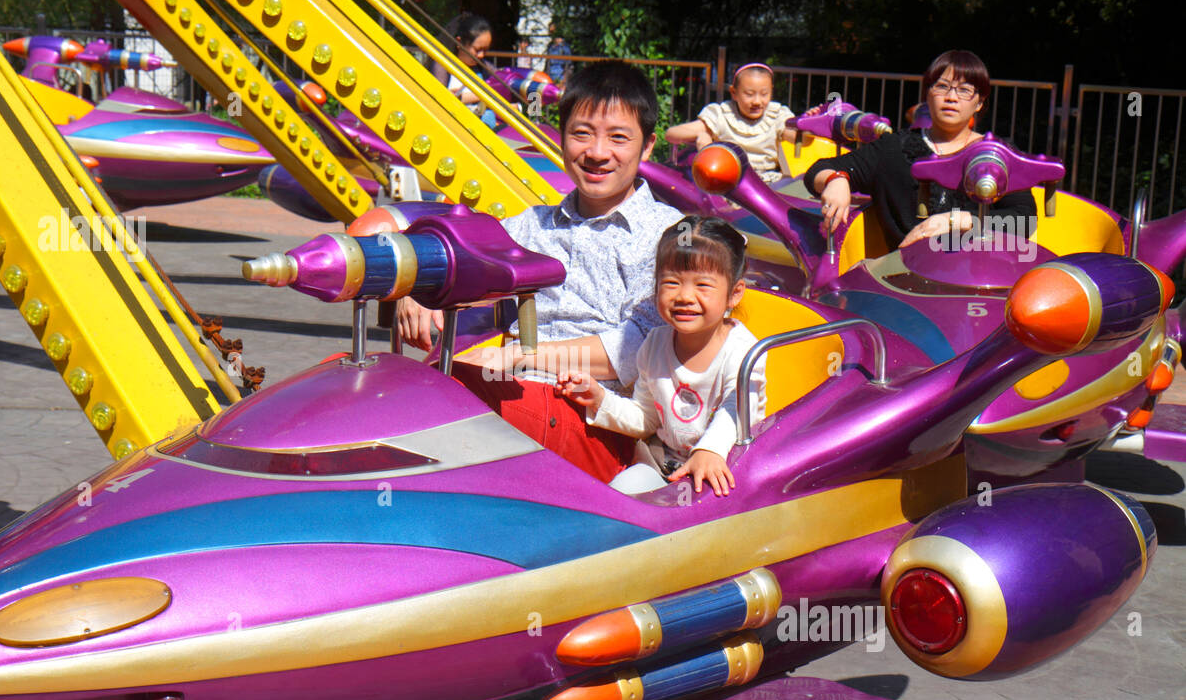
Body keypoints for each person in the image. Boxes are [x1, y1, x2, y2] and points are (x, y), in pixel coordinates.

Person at [397, 61, 683, 483]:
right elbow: (457, 250)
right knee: (371, 374)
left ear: (647, 146)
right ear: (562, 137)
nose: (598, 153)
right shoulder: (532, 226)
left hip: (596, 418)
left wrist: (519, 356)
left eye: (618, 137)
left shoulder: (668, 235)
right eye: (582, 133)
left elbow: (635, 349)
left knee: (448, 384)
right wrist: (414, 288)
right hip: (517, 392)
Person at [555, 216, 767, 497]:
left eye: (702, 285)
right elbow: (645, 419)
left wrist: (708, 450)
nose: (685, 296)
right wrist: (600, 400)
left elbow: (736, 412)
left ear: (734, 293)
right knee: (618, 496)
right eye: (671, 283)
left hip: (726, 472)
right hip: (664, 468)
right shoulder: (655, 345)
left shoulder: (744, 352)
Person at [804, 49, 1038, 251]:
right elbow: (820, 169)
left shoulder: (997, 154)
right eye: (942, 87)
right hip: (907, 280)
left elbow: (1024, 221)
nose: (951, 97)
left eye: (964, 90)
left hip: (979, 278)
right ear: (927, 94)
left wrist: (955, 221)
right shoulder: (894, 148)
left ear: (979, 103)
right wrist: (836, 180)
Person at [665, 63, 795, 182]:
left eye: (764, 94)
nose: (757, 101)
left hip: (769, 183)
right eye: (749, 94)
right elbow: (671, 133)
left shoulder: (777, 114)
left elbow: (797, 137)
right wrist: (702, 136)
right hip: (729, 182)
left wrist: (811, 121)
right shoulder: (722, 114)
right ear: (734, 93)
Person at [435, 13, 496, 126]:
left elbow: (503, 87)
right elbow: (440, 98)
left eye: (485, 50)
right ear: (459, 42)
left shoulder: (484, 67)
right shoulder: (443, 67)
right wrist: (484, 96)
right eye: (477, 50)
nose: (481, 55)